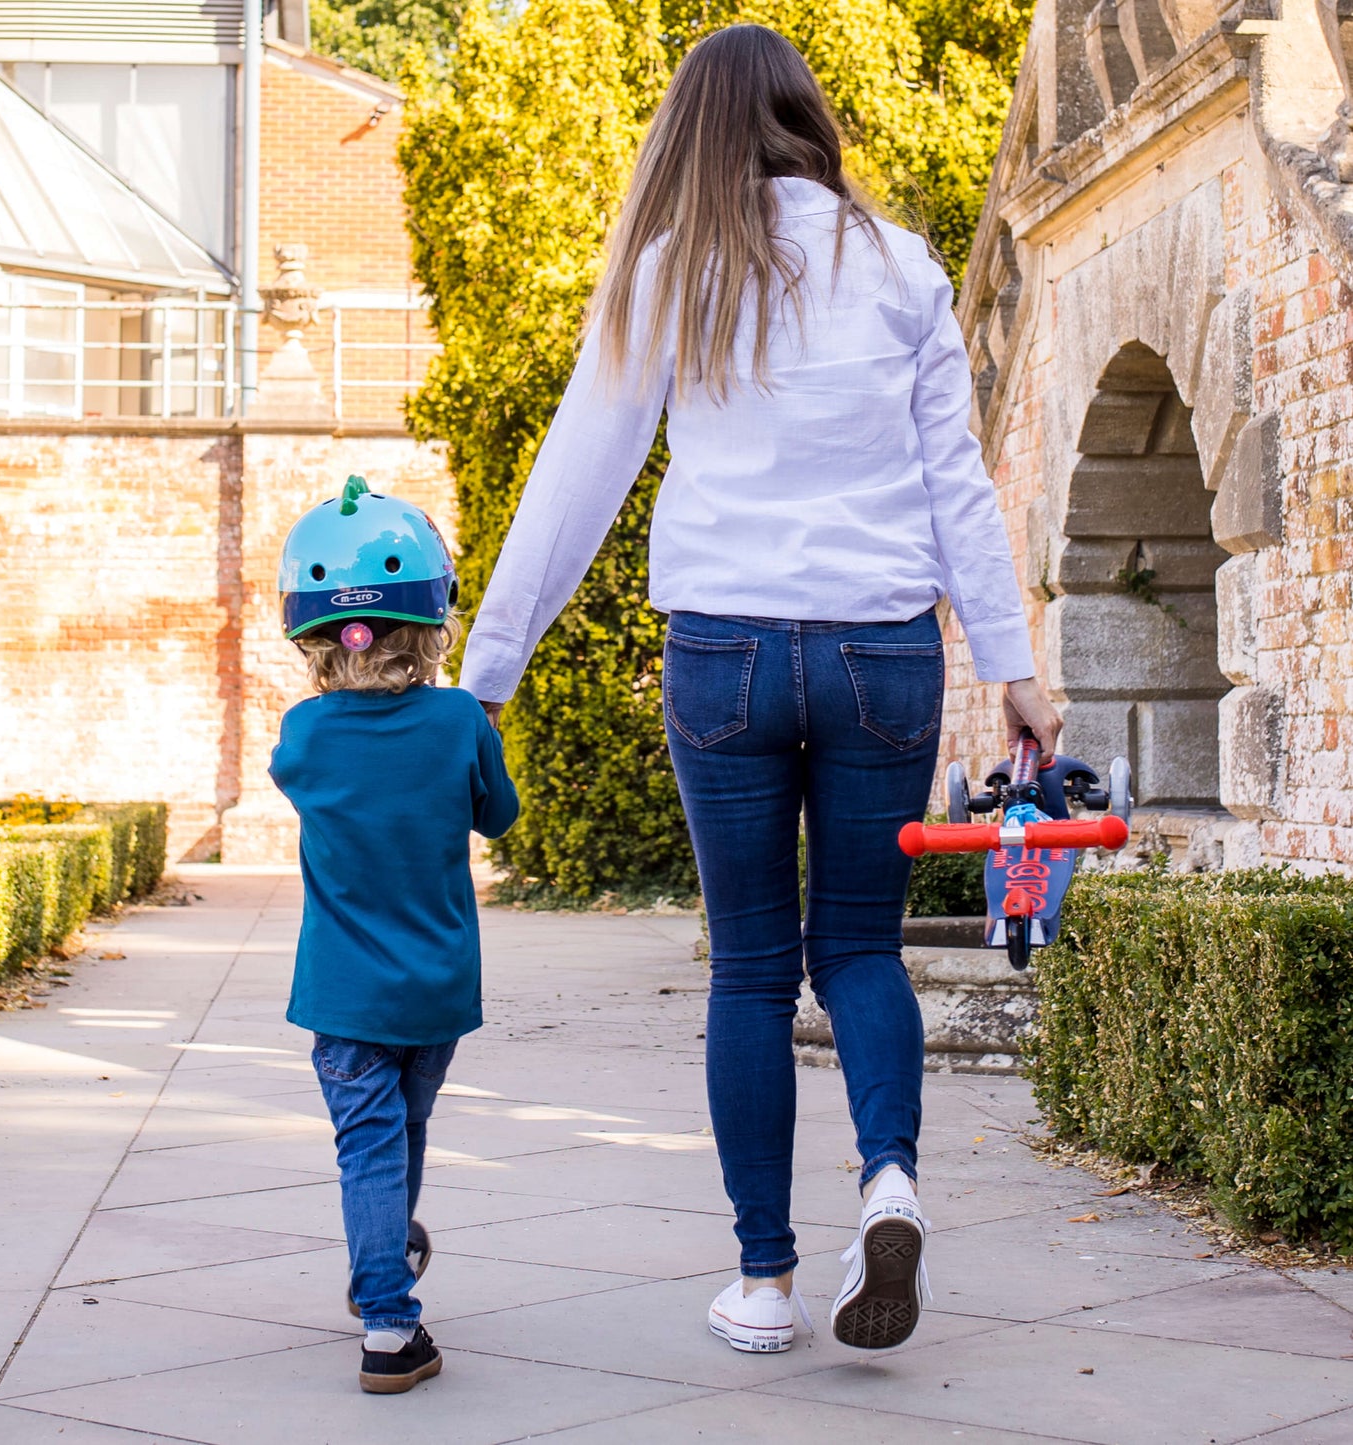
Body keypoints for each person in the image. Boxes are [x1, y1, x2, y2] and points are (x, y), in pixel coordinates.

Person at [459, 25, 1062, 1355]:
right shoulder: (900, 266)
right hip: (883, 652)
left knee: (748, 968)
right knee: (858, 946)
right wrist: (1012, 664)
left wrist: (486, 674)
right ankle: (889, 1184)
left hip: (726, 651)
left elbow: (579, 477)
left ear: (695, 133)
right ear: (807, 120)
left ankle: (766, 1281)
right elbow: (956, 482)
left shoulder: (673, 274)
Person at [270, 478, 519, 1393]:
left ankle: (384, 1300)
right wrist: (475, 738)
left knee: (369, 1144)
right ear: (432, 618)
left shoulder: (300, 734)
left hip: (341, 993)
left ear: (310, 633)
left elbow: (319, 773)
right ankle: (386, 1289)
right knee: (403, 1131)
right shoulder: (459, 721)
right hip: (435, 988)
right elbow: (499, 815)